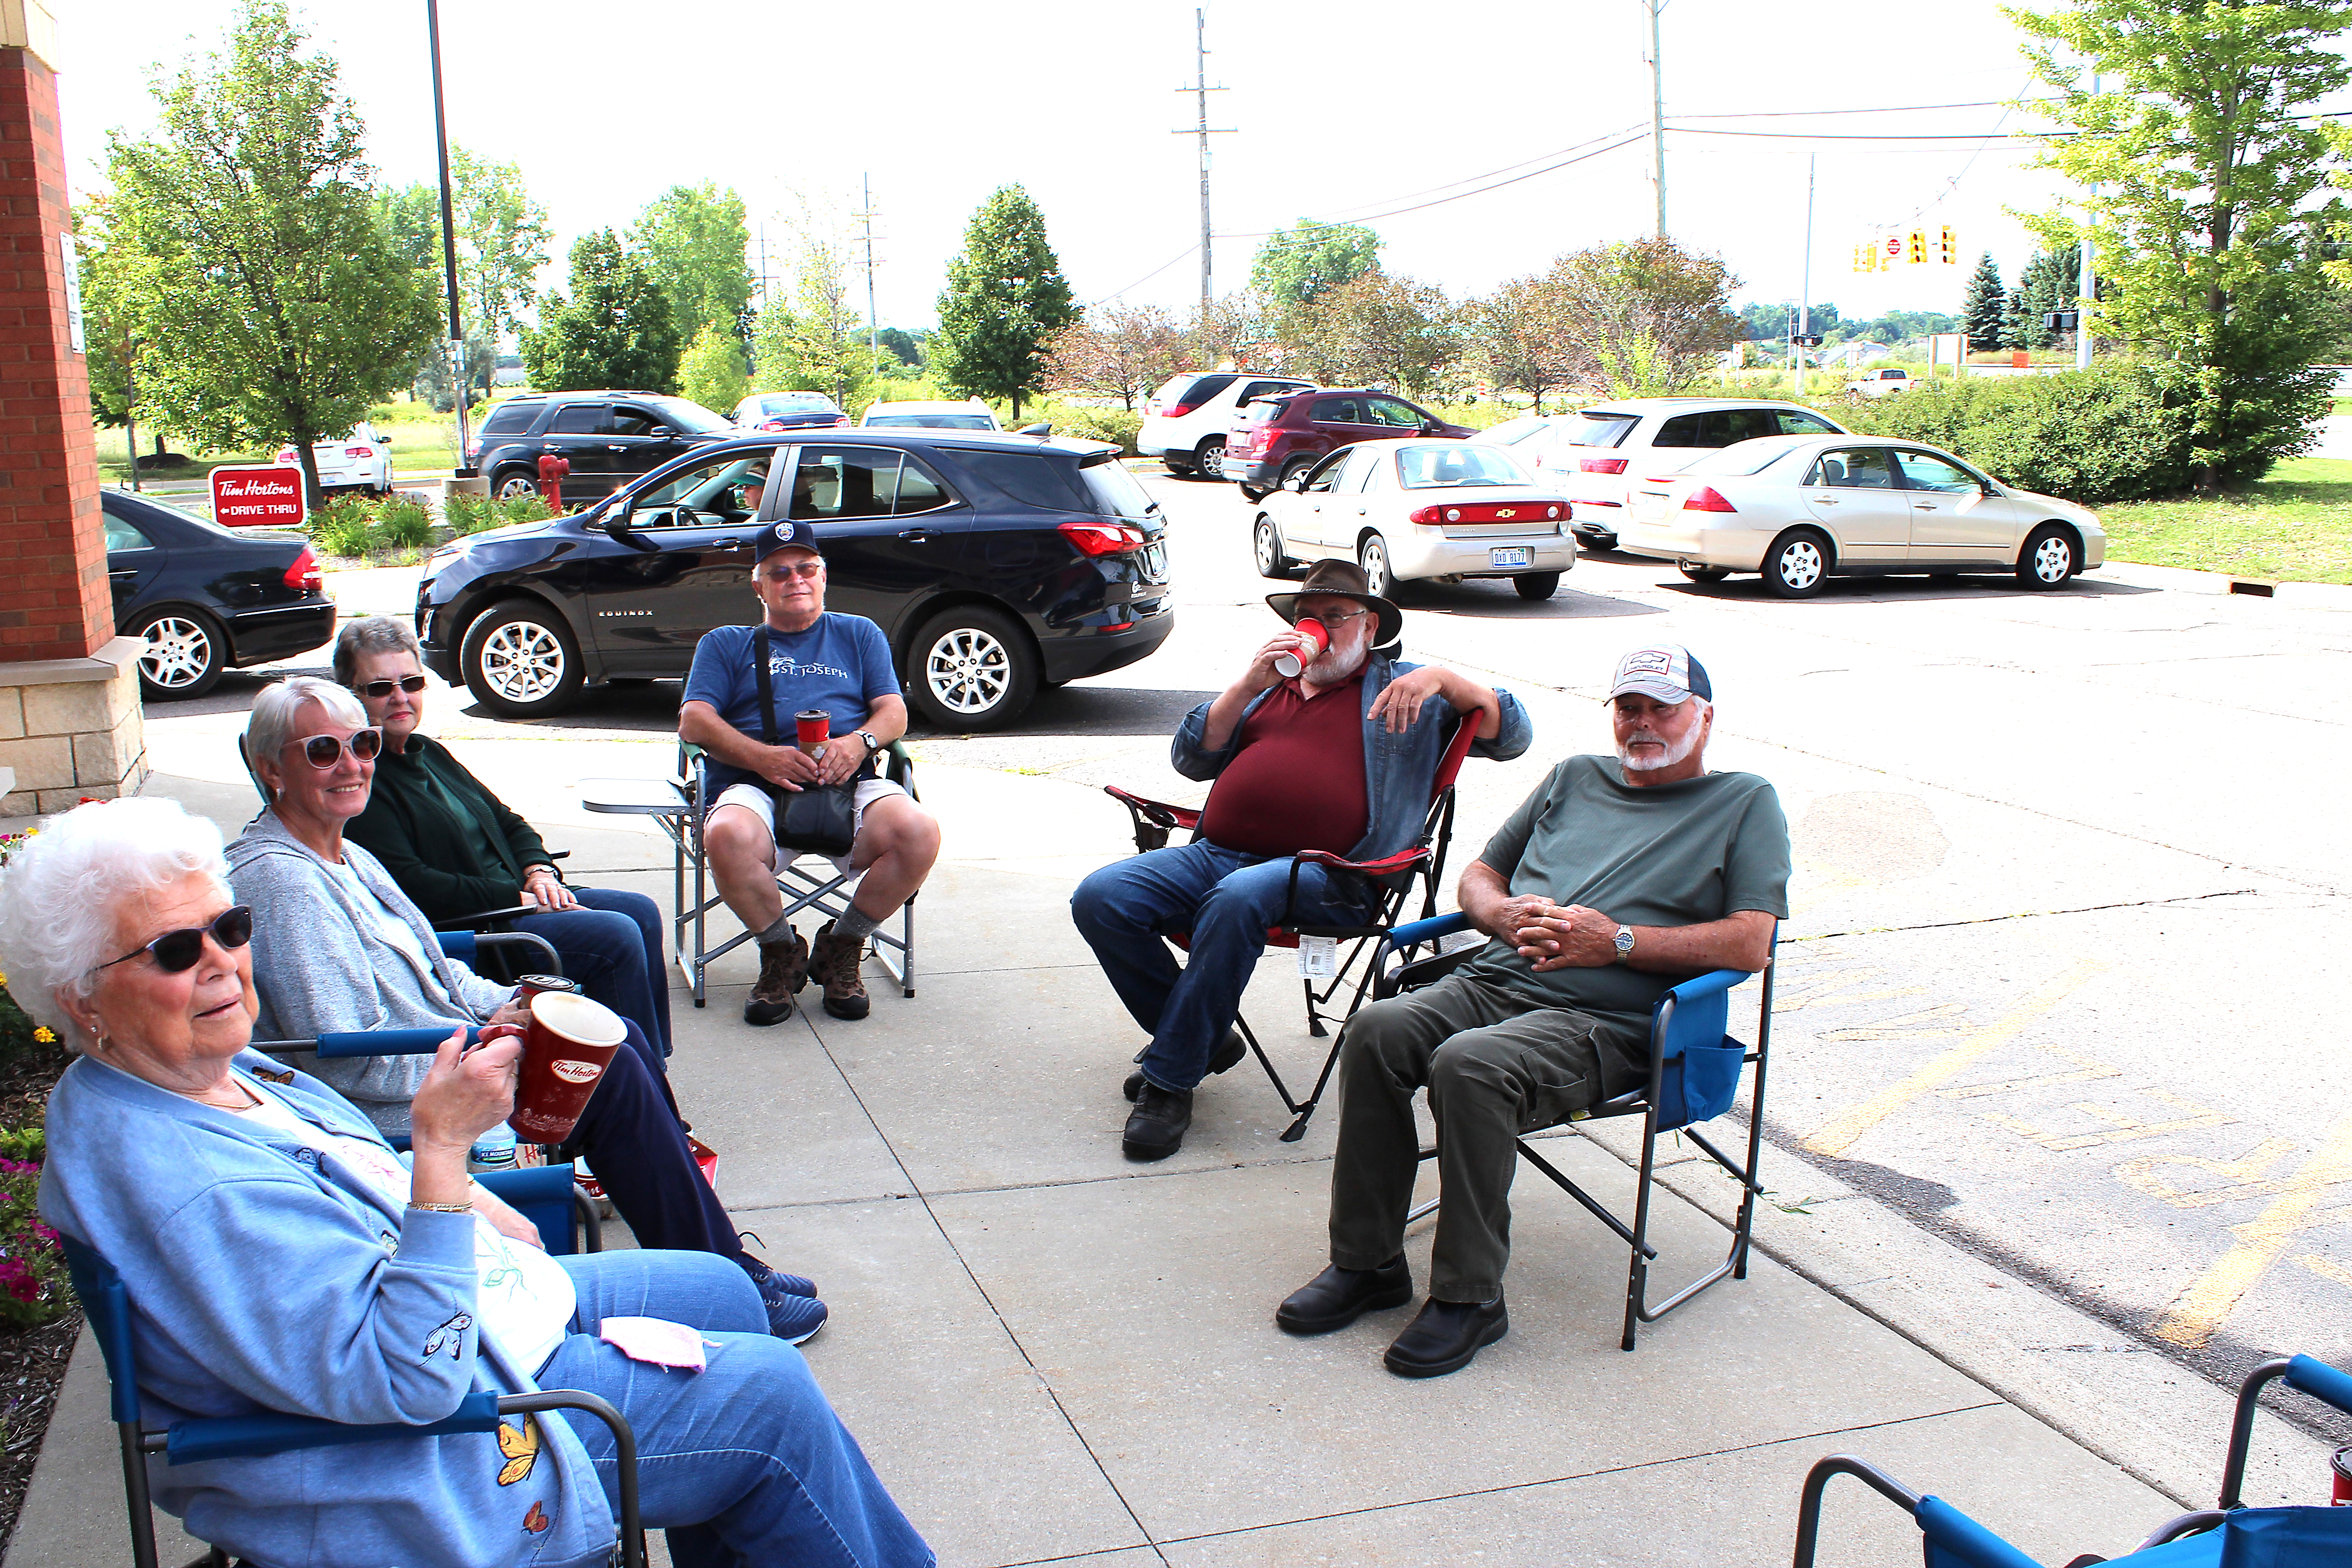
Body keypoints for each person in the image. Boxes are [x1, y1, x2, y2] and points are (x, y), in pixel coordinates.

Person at [0, 797, 932, 1568]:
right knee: (769, 1400)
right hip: (412, 1449)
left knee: (723, 1288)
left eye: (230, 927)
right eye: (173, 950)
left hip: (458, 1314)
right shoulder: (188, 1186)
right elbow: (405, 1379)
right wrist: (444, 1161)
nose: (222, 961)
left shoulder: (187, 1077)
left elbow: (336, 1183)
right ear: (82, 997)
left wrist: (445, 1187)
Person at [224, 677, 826, 1343]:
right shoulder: (282, 881)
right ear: (269, 768)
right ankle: (727, 1289)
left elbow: (436, 973)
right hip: (413, 1102)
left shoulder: (344, 852)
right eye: (322, 752)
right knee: (611, 1076)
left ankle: (723, 1268)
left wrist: (519, 1003)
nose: (352, 764)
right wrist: (487, 1039)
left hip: (443, 1058)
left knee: (616, 1033)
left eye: (361, 745)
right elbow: (342, 1051)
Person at [1275, 644, 1790, 1378]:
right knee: (1375, 1029)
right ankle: (1367, 1263)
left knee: (1469, 1064)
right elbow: (1478, 878)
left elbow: (1750, 941)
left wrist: (1613, 942)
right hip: (1495, 977)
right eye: (1628, 707)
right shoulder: (1574, 777)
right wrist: (1501, 913)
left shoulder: (1742, 802)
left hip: (1606, 1018)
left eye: (1661, 708)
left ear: (1702, 717)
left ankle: (1468, 1297)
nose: (1642, 723)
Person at [1070, 560, 1533, 1162]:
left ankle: (1169, 1082)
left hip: (1336, 875)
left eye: (1336, 618)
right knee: (1101, 898)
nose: (1318, 629)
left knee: (1239, 898)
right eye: (1307, 618)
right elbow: (1190, 758)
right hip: (1218, 854)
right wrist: (1245, 683)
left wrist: (1451, 682)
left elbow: (1513, 736)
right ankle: (1201, 1040)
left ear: (1369, 628)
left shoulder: (1407, 689)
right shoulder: (1267, 687)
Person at [334, 616, 673, 1057]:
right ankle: (622, 1089)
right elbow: (413, 885)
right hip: (487, 925)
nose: (400, 697)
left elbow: (507, 820)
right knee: (615, 935)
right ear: (352, 697)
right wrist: (516, 897)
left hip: (520, 898)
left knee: (642, 911)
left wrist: (539, 871)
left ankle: (651, 1071)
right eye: (380, 688)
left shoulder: (430, 754)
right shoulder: (365, 779)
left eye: (411, 682)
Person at [678, 519, 941, 1028]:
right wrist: (762, 757)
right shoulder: (725, 643)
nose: (795, 579)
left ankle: (842, 945)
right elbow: (695, 719)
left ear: (824, 577)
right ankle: (781, 951)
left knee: (919, 830)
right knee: (726, 833)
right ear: (759, 586)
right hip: (755, 785)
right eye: (779, 573)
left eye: (806, 569)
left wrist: (857, 742)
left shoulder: (858, 633)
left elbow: (894, 712)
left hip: (850, 783)